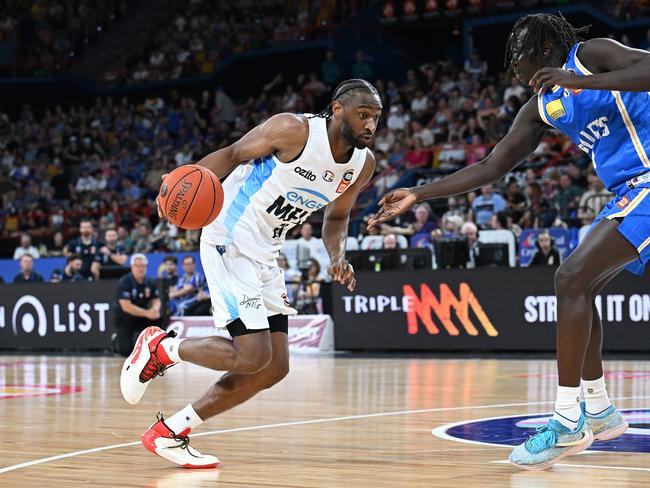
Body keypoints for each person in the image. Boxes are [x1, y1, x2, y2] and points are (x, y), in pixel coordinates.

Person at [369, 13, 648, 469]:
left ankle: (566, 421)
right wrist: (418, 192)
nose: (512, 66)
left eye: (516, 55)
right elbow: (491, 166)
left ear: (541, 50)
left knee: (571, 278)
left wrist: (576, 76)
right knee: (584, 285)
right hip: (628, 191)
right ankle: (597, 410)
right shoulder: (541, 106)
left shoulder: (592, 55)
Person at [120, 78, 381, 468]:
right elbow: (230, 155)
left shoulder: (363, 165)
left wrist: (337, 255)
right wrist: (177, 185)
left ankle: (171, 432)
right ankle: (161, 348)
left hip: (266, 250)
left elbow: (337, 217)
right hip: (230, 236)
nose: (371, 126)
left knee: (274, 366)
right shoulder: (292, 130)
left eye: (376, 117)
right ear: (338, 109)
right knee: (251, 353)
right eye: (363, 115)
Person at [112, 254, 162, 357]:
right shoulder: (125, 282)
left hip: (143, 316)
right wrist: (147, 313)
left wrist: (155, 309)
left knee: (158, 317)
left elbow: (156, 299)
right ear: (132, 267)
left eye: (143, 266)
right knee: (125, 351)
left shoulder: (150, 282)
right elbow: (126, 306)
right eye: (138, 266)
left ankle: (156, 346)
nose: (141, 268)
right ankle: (116, 339)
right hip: (125, 317)